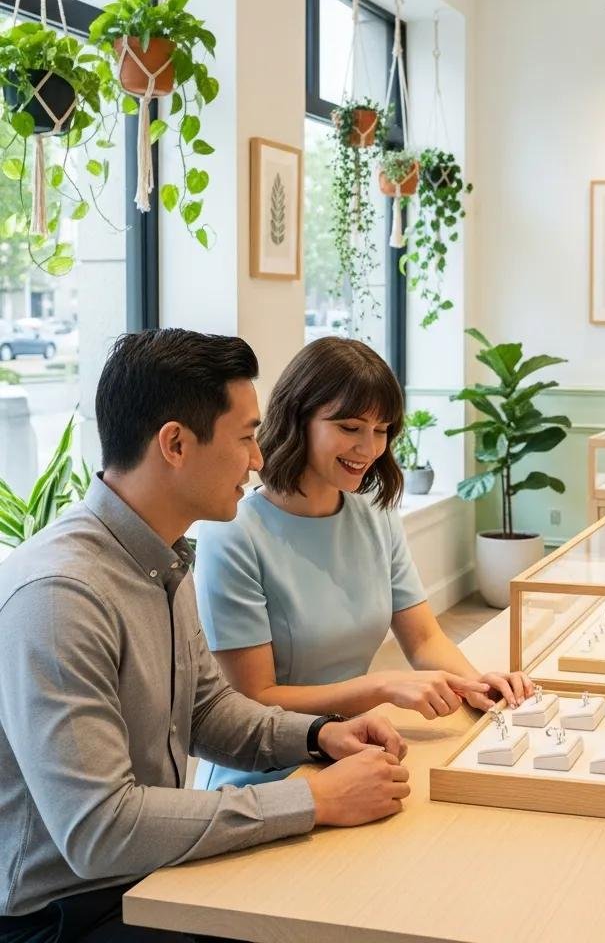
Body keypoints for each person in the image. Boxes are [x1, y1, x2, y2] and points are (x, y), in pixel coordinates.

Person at [0, 330, 410, 943]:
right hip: (66, 913)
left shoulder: (161, 556)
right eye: (246, 437)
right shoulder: (61, 595)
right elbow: (100, 831)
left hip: (142, 875)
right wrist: (315, 801)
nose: (258, 458)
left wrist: (321, 734)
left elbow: (207, 709)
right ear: (175, 444)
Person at [193, 337, 534, 793]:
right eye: (351, 427)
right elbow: (257, 699)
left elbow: (425, 638)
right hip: (265, 775)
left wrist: (477, 686)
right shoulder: (234, 534)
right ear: (299, 418)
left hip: (360, 749)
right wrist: (380, 687)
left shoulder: (375, 514)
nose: (369, 447)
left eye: (382, 429)